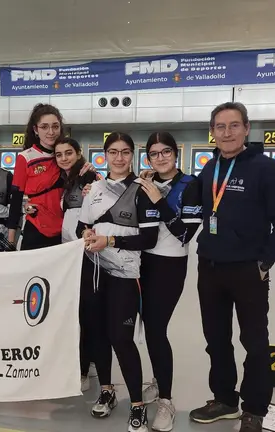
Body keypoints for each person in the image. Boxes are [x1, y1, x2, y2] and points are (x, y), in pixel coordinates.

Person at [189, 102, 275, 432]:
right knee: (216, 339)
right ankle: (224, 399)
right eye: (220, 126)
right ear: (212, 132)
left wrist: (266, 260)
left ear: (246, 129)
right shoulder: (210, 169)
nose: (227, 132)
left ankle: (254, 408)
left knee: (255, 341)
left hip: (248, 270)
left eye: (234, 125)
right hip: (210, 267)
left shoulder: (265, 168)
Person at [77, 132, 161, 432]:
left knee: (121, 338)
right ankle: (107, 390)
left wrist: (110, 240)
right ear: (105, 155)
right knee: (98, 334)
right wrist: (87, 234)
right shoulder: (95, 189)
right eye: (113, 152)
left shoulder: (143, 189)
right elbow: (83, 225)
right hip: (94, 271)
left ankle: (137, 404)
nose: (119, 158)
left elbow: (149, 238)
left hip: (125, 275)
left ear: (132, 155)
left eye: (125, 152)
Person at [133, 132, 203, 432]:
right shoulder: (145, 182)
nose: (160, 158)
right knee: (148, 328)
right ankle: (158, 380)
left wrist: (159, 200)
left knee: (157, 329)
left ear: (176, 153)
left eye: (166, 152)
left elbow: (184, 234)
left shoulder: (190, 185)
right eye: (154, 153)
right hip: (141, 262)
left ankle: (166, 400)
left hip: (170, 265)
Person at [53, 137, 100, 392]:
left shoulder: (87, 175)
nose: (64, 158)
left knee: (85, 312)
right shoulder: (68, 177)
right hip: (70, 251)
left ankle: (84, 367)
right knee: (78, 310)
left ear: (79, 153)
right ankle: (85, 361)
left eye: (68, 153)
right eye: (59, 154)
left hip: (85, 252)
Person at [9, 103, 67, 250]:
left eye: (55, 126)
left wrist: (89, 170)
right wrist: (10, 241)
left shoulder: (66, 156)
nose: (51, 132)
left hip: (65, 231)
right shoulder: (25, 157)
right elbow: (16, 200)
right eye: (44, 127)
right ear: (35, 129)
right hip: (36, 229)